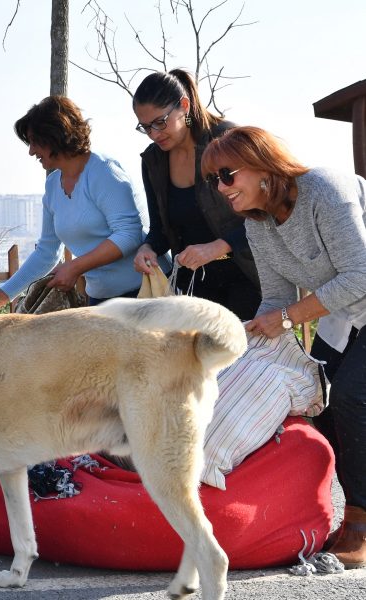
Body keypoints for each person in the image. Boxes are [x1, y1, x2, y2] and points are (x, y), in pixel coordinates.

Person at [201, 125, 366, 568]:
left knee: (351, 396)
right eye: (213, 180)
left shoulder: (324, 192)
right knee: (323, 400)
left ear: (261, 167)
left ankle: (359, 526)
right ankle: (349, 512)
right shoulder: (257, 225)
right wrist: (255, 329)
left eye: (227, 175)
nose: (220, 189)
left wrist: (289, 318)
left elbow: (359, 274)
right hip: (346, 315)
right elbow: (277, 298)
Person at [0, 96, 153, 312]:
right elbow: (47, 252)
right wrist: (3, 293)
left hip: (145, 294)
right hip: (101, 300)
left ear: (54, 135)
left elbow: (129, 234)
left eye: (34, 141)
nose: (31, 151)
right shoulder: (52, 186)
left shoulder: (104, 172)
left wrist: (75, 267)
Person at [131, 69, 261, 319]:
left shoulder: (227, 139)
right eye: (146, 127)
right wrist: (147, 248)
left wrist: (221, 246)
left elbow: (266, 214)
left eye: (160, 122)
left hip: (250, 279)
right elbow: (160, 229)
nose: (154, 134)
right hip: (195, 290)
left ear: (184, 106)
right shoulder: (153, 160)